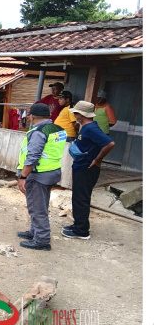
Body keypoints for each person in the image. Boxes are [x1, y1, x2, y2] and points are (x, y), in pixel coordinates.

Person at [16, 103, 66, 251]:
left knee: (37, 208)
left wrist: (23, 176)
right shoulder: (58, 129)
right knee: (40, 204)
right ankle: (34, 232)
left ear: (32, 116)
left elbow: (33, 156)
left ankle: (42, 240)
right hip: (52, 172)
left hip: (39, 174)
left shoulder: (38, 132)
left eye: (30, 114)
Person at [63, 101, 115, 240]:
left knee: (81, 199)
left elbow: (109, 143)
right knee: (78, 197)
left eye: (76, 113)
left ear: (81, 114)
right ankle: (78, 224)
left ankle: (82, 231)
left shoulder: (91, 128)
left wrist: (97, 160)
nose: (74, 115)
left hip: (87, 168)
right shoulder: (85, 127)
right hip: (81, 166)